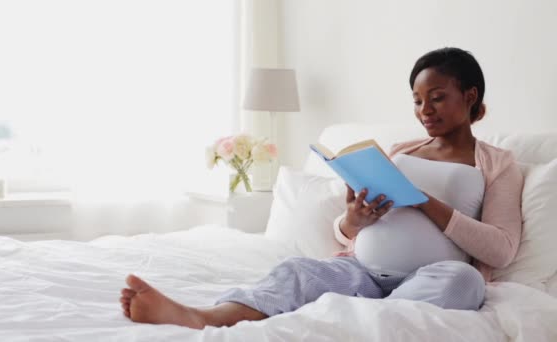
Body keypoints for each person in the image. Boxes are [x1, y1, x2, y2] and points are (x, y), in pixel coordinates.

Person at [119, 47, 523, 329]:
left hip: (428, 280)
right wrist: (352, 221)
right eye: (417, 101)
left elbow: (501, 249)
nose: (424, 111)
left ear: (470, 98)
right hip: (360, 273)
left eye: (436, 98)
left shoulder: (498, 165)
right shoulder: (401, 151)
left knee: (463, 282)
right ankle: (202, 317)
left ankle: (356, 320)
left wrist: (426, 203)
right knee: (297, 270)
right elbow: (343, 233)